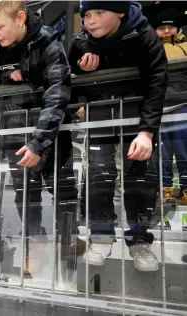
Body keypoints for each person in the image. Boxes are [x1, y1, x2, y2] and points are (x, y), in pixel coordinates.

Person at [0, 0, 79, 277]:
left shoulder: (48, 40)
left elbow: (58, 92)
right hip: (13, 131)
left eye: (0, 26)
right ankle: (34, 244)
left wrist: (39, 141)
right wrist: (6, 75)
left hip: (51, 134)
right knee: (25, 196)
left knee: (63, 191)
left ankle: (69, 243)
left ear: (20, 17)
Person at [69, 1, 168, 271]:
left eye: (100, 13)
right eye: (87, 14)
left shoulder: (145, 35)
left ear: (120, 12)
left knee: (140, 178)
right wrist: (81, 79)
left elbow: (157, 81)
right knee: (99, 175)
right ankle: (100, 236)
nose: (91, 20)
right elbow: (68, 79)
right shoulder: (81, 40)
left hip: (136, 120)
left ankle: (139, 239)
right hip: (100, 117)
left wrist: (146, 131)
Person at [149, 7, 187, 205]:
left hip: (183, 106)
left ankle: (186, 193)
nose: (166, 31)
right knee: (161, 157)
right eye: (161, 28)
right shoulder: (150, 49)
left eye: (170, 27)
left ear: (177, 28)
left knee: (184, 153)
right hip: (159, 109)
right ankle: (165, 195)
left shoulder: (186, 46)